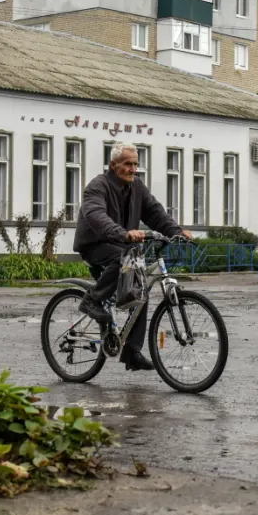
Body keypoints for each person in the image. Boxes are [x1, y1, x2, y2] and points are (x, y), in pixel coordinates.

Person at [73, 144, 190, 371]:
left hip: (122, 244)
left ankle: (132, 352)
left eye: (135, 164)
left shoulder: (137, 187)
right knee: (124, 259)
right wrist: (123, 233)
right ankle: (92, 300)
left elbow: (155, 212)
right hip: (96, 244)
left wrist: (176, 231)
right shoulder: (98, 187)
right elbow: (96, 216)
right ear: (113, 165)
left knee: (141, 289)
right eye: (128, 164)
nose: (133, 169)